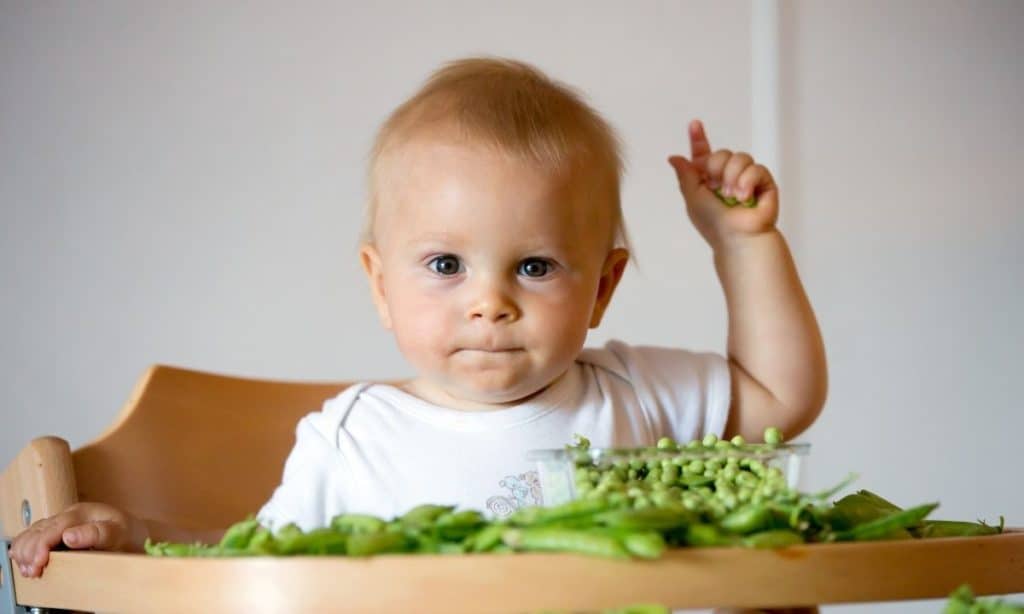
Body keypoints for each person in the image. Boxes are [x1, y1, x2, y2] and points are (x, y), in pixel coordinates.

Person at [10, 57, 827, 594]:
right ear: (380, 285)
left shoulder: (632, 395)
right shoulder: (356, 438)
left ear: (603, 288)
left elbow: (780, 397)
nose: (489, 302)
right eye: (446, 266)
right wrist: (140, 536)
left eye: (535, 267)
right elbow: (250, 559)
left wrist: (743, 244)